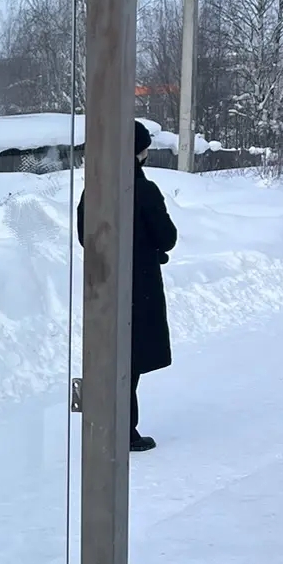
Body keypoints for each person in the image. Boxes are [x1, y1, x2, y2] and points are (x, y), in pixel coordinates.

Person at [77, 120, 178, 451]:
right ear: (136, 152)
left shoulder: (93, 189)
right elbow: (167, 237)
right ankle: (124, 430)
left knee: (110, 356)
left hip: (101, 286)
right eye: (144, 148)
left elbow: (85, 237)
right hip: (139, 287)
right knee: (129, 361)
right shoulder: (144, 190)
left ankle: (105, 423)